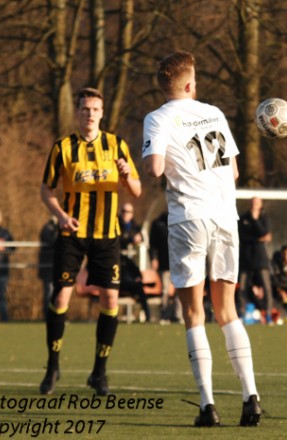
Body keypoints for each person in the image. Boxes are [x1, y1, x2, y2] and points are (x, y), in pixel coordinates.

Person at [142, 50, 261, 427]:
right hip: (225, 216)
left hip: (188, 219)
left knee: (194, 313)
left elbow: (155, 168)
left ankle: (208, 405)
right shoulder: (215, 113)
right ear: (191, 84)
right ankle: (251, 397)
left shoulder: (157, 118)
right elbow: (235, 171)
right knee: (227, 310)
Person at [39, 87, 142, 396]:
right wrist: (60, 215)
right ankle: (53, 367)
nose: (90, 114)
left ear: (102, 113)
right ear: (77, 112)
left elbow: (136, 190)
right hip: (72, 234)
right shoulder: (62, 148)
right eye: (85, 109)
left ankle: (99, 372)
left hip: (107, 236)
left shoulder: (116, 145)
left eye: (95, 109)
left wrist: (127, 174)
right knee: (61, 298)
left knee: (110, 301)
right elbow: (46, 189)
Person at [238, 197, 273, 322]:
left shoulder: (264, 218)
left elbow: (263, 232)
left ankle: (268, 314)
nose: (254, 205)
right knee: (242, 287)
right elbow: (242, 236)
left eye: (257, 203)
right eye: (253, 202)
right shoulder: (243, 218)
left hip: (260, 258)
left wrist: (255, 219)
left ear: (261, 205)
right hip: (246, 258)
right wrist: (258, 239)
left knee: (266, 287)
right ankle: (242, 313)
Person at [149, 210, 182, 323]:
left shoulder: (180, 219)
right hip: (164, 263)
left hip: (179, 262)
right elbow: (153, 244)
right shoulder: (158, 223)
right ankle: (164, 315)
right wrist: (153, 258)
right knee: (165, 290)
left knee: (180, 290)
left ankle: (178, 315)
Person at [38, 216, 59, 319]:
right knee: (49, 293)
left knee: (59, 293)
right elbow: (51, 241)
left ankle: (58, 315)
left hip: (59, 267)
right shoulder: (47, 228)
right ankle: (48, 315)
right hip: (48, 267)